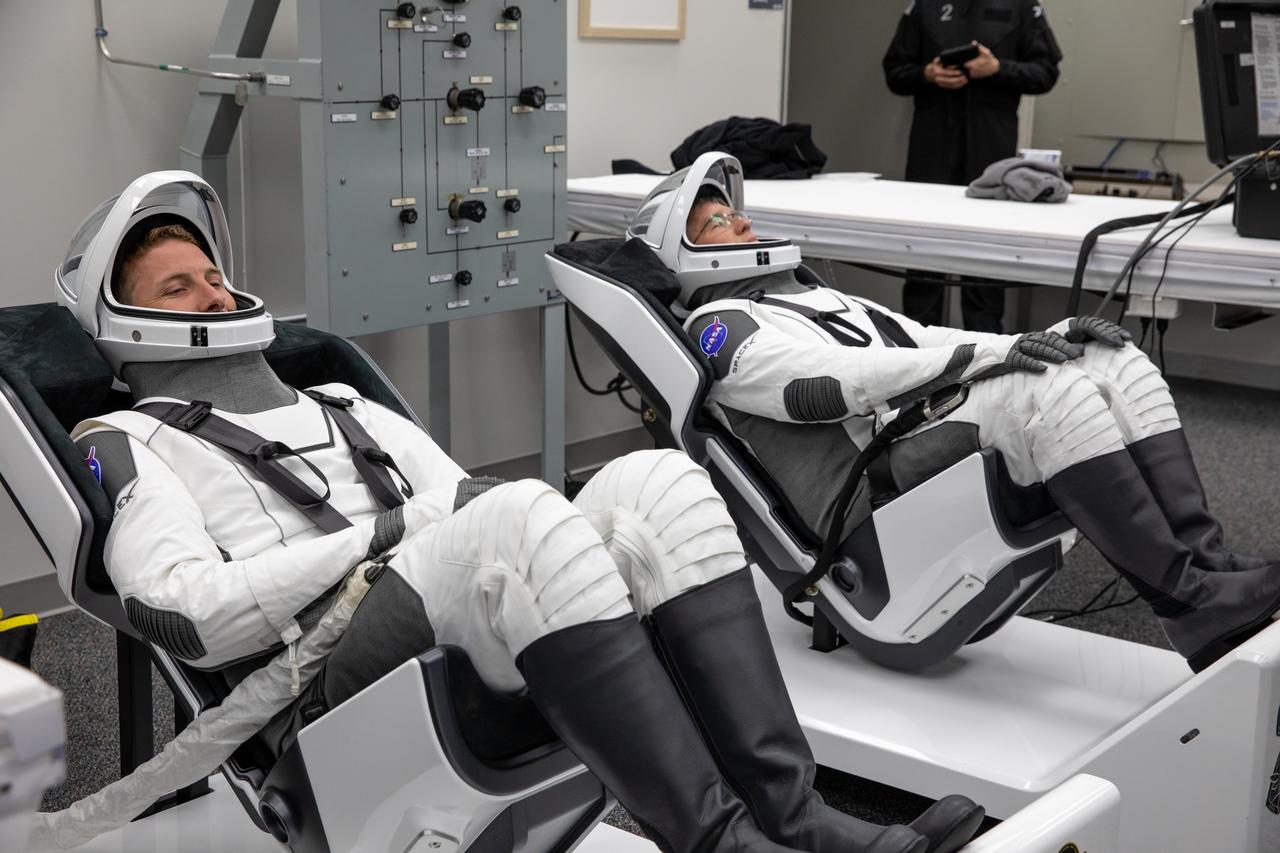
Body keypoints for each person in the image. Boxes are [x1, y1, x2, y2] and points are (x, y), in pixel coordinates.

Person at [54, 171, 986, 853]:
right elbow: (188, 615)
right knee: (521, 521)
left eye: (210, 276)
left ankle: (795, 815)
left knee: (652, 485)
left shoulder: (342, 403)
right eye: (177, 288)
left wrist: (421, 530)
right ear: (119, 320)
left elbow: (462, 499)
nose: (211, 294)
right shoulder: (127, 437)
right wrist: (377, 536)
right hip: (315, 686)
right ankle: (721, 846)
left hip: (416, 606)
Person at [634, 152, 1280, 674]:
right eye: (717, 222)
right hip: (877, 486)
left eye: (732, 214)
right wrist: (981, 360)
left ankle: (1208, 566)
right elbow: (826, 384)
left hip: (917, 430)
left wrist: (1038, 339)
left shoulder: (804, 293)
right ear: (685, 254)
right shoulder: (718, 327)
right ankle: (1186, 600)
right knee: (1040, 393)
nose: (741, 225)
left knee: (1111, 356)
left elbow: (919, 337)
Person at [882, 0, 1063, 333]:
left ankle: (985, 362)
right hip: (931, 157)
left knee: (985, 270)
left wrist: (998, 69)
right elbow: (894, 70)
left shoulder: (1022, 6)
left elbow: (1046, 72)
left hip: (991, 157)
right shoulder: (925, 5)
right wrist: (927, 73)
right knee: (923, 266)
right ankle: (918, 363)